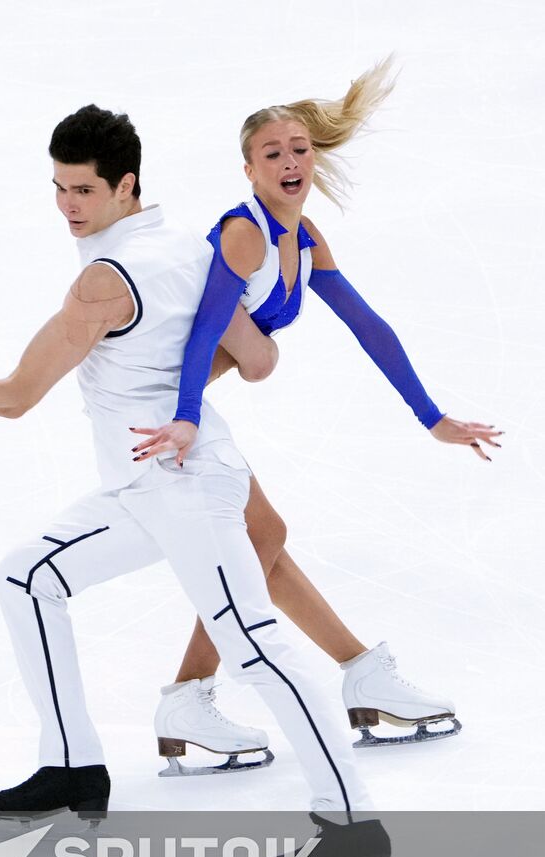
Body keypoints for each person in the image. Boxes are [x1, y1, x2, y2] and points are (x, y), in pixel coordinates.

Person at [0, 105, 391, 857]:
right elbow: (257, 357)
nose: (67, 207)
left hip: (185, 491)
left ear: (124, 184)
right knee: (26, 577)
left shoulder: (103, 282)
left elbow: (15, 397)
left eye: (82, 191)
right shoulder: (189, 247)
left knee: (254, 644)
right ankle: (73, 767)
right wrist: (174, 402)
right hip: (148, 484)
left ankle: (352, 830)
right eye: (59, 189)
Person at [132, 59, 502, 763]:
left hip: (179, 406)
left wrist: (431, 417)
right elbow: (207, 327)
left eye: (298, 148)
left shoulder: (302, 240)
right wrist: (181, 414)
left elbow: (369, 327)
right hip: (158, 407)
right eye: (271, 153)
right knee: (260, 538)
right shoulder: (244, 234)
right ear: (249, 170)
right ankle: (198, 692)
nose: (289, 160)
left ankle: (350, 674)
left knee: (262, 539)